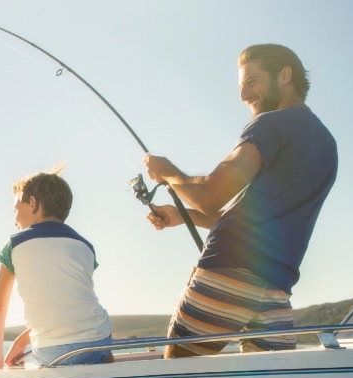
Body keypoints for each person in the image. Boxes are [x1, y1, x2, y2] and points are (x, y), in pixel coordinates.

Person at [144, 44, 338, 358]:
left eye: (251, 82)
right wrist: (183, 216)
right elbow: (261, 217)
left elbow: (210, 195)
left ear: (285, 76)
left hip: (228, 271)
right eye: (240, 86)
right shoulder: (327, 144)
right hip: (275, 288)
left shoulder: (271, 125)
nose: (243, 95)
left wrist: (167, 173)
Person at [0, 166, 113, 369]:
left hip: (53, 351)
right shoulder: (85, 246)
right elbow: (71, 305)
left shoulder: (15, 244)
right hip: (100, 341)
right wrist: (23, 339)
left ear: (33, 203)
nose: (15, 218)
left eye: (16, 209)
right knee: (99, 345)